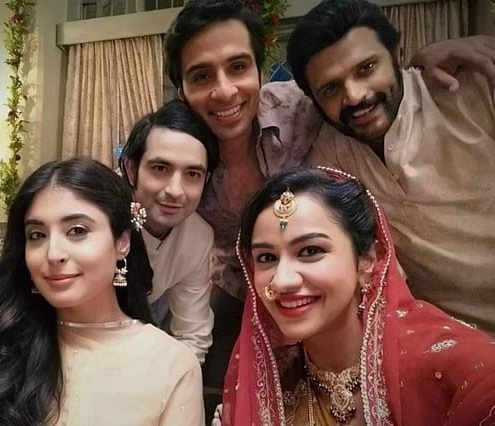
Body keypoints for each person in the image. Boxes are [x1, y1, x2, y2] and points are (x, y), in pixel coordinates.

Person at [163, 0, 495, 415]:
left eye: (238, 67)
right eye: (201, 76)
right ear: (182, 90)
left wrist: (424, 59)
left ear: (259, 72)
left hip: (360, 299)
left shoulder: (311, 115)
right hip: (252, 294)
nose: (225, 90)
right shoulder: (181, 150)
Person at [221, 167, 495, 425]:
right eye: (266, 258)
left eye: (310, 251)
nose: (282, 281)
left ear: (367, 260)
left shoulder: (459, 371)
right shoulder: (266, 379)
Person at [0, 158, 204, 425]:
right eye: (37, 235)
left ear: (122, 242)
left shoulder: (172, 364)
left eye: (77, 231)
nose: (53, 253)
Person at [286, 0, 495, 335]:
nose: (354, 96)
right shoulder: (326, 154)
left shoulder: (473, 88)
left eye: (366, 68)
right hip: (448, 342)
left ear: (397, 54)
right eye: (330, 89)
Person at [119, 99, 218, 363]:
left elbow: (192, 335)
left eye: (193, 174)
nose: (175, 190)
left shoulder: (198, 237)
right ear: (131, 168)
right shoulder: (99, 216)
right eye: (160, 169)